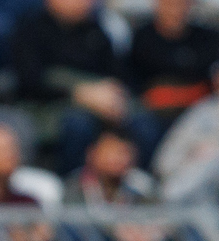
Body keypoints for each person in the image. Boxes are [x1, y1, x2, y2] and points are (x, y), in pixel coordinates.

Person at [10, 0, 158, 173]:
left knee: (144, 124)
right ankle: (73, 188)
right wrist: (79, 93)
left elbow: (119, 75)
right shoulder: (29, 29)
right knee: (78, 125)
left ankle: (138, 189)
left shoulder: (95, 30)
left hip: (101, 107)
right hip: (47, 108)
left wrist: (114, 97)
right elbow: (30, 81)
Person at [129, 0, 219, 140]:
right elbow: (134, 85)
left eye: (181, 3)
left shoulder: (210, 38)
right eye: (169, 4)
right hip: (156, 114)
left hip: (199, 113)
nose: (176, 10)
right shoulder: (141, 38)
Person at [155, 51, 219, 202]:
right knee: (206, 163)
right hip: (200, 188)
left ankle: (165, 205)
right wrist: (195, 155)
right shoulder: (202, 113)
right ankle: (168, 203)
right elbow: (165, 162)